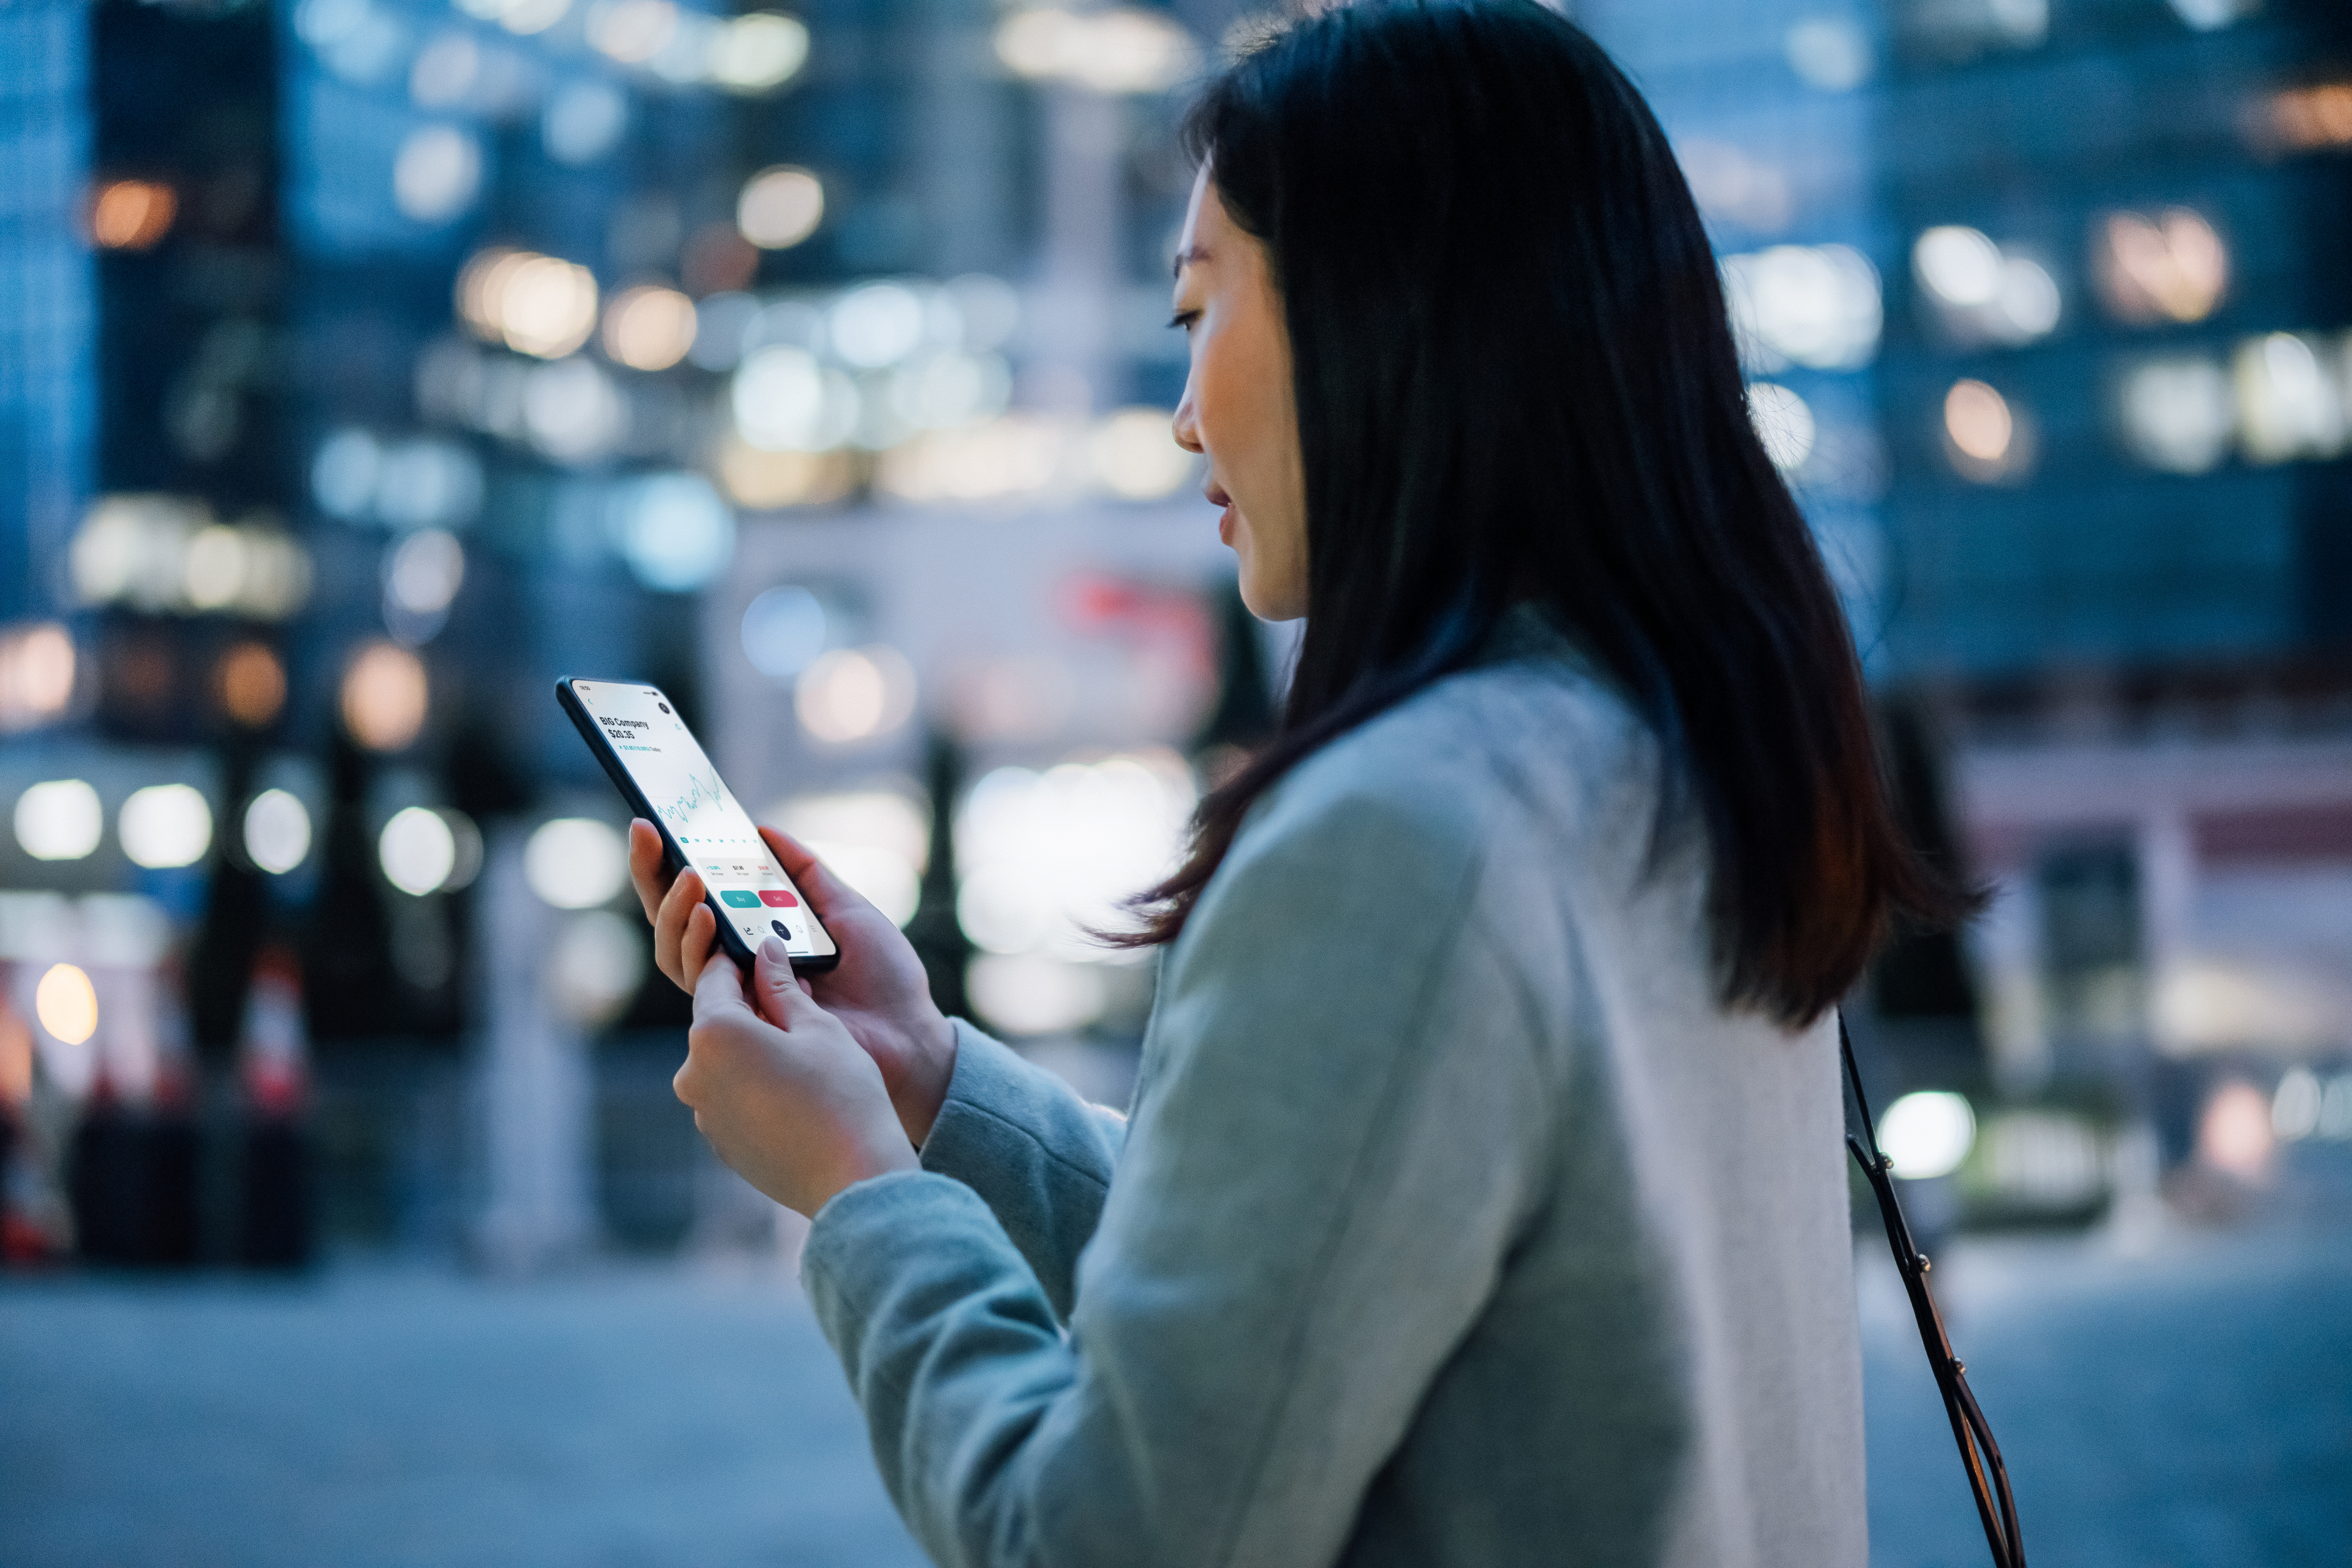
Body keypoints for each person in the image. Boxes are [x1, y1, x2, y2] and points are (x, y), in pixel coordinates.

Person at [628, 2, 1967, 1562]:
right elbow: (1316, 1284)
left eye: (1199, 310)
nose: (1185, 410)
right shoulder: (1676, 766)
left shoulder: (1403, 833)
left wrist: (856, 1187)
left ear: (1374, 315)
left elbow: (1104, 1536)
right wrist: (926, 1083)